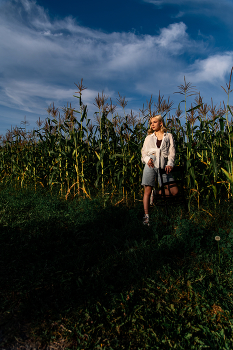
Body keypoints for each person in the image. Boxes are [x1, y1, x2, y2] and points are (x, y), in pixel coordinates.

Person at [141, 114, 178, 225]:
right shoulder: (148, 138)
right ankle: (146, 217)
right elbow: (143, 152)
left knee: (174, 191)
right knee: (146, 191)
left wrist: (170, 164)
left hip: (164, 165)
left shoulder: (169, 136)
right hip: (151, 164)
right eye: (151, 123)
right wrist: (148, 159)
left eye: (155, 122)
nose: (152, 124)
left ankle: (155, 194)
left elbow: (172, 152)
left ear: (161, 123)